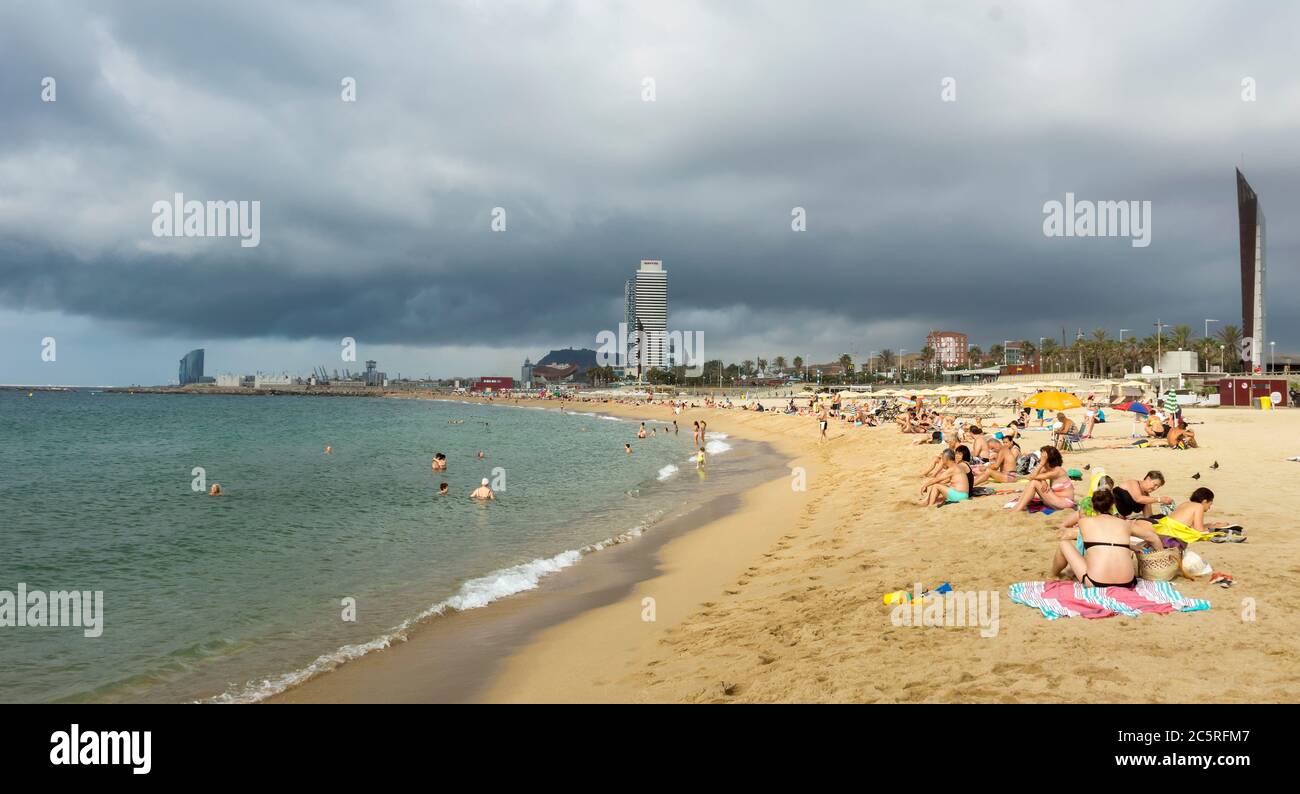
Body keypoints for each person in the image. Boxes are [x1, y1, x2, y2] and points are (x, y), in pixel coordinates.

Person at [1051, 487, 1162, 588]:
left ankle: (1052, 575)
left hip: (1097, 582)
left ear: (1094, 506)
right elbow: (1153, 537)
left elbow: (1087, 547)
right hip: (1128, 582)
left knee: (1064, 544)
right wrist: (1160, 560)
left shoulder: (1084, 522)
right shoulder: (1125, 524)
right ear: (1112, 505)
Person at [1135, 487, 1232, 542]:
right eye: (1210, 504)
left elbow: (1190, 526)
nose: (1209, 507)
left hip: (1154, 523)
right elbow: (1199, 530)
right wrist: (1218, 528)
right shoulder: (1199, 507)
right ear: (1205, 501)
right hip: (1160, 528)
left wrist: (1211, 525)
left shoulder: (1185, 504)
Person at [1007, 446, 1075, 511]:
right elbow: (1032, 476)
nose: (1040, 457)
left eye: (1042, 456)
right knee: (1033, 481)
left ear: (1047, 458)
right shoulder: (1047, 467)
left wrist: (1042, 463)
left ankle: (1018, 508)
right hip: (1055, 499)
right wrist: (1043, 481)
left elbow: (1032, 477)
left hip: (1064, 502)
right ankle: (1018, 506)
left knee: (1034, 482)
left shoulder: (1058, 470)